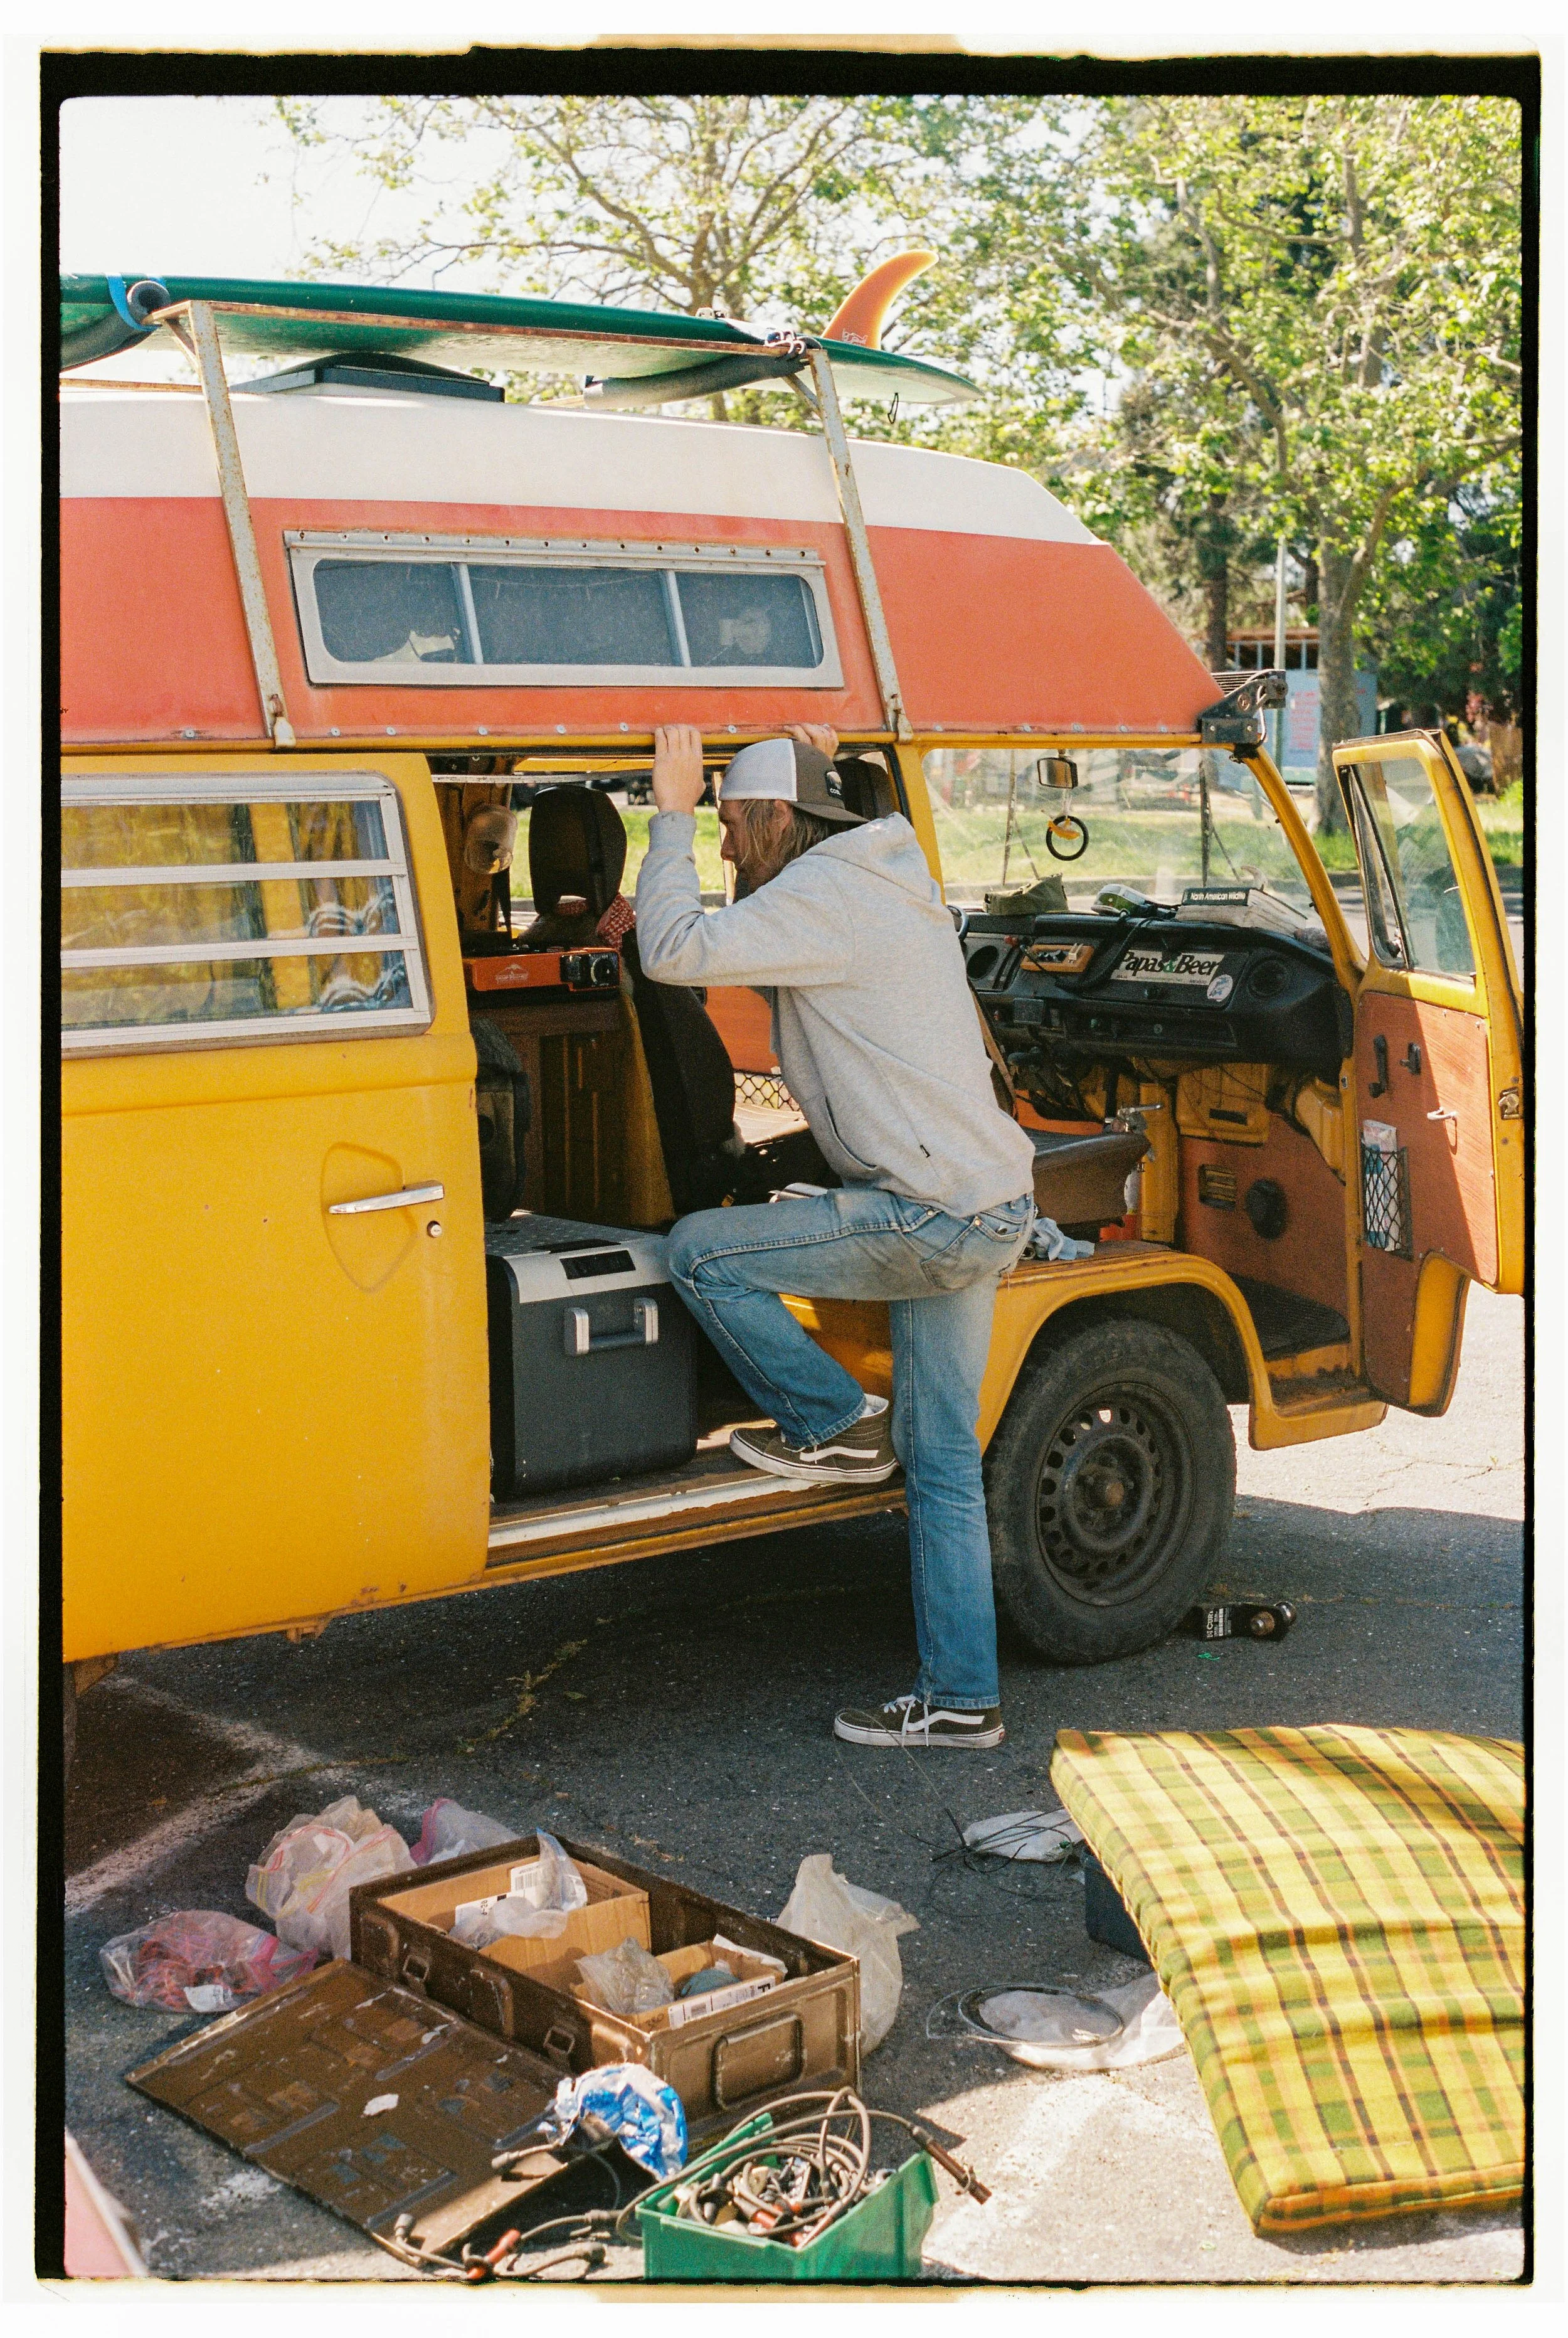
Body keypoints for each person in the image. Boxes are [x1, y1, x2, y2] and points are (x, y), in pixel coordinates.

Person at [635, 722, 1037, 1750]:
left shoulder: (825, 898)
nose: (723, 848)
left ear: (778, 817)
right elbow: (733, 922)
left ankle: (831, 1422)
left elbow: (675, 951)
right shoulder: (872, 875)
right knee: (943, 1458)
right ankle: (962, 1700)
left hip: (930, 1214)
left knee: (699, 1250)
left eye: (731, 826)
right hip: (984, 1202)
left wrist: (671, 810)